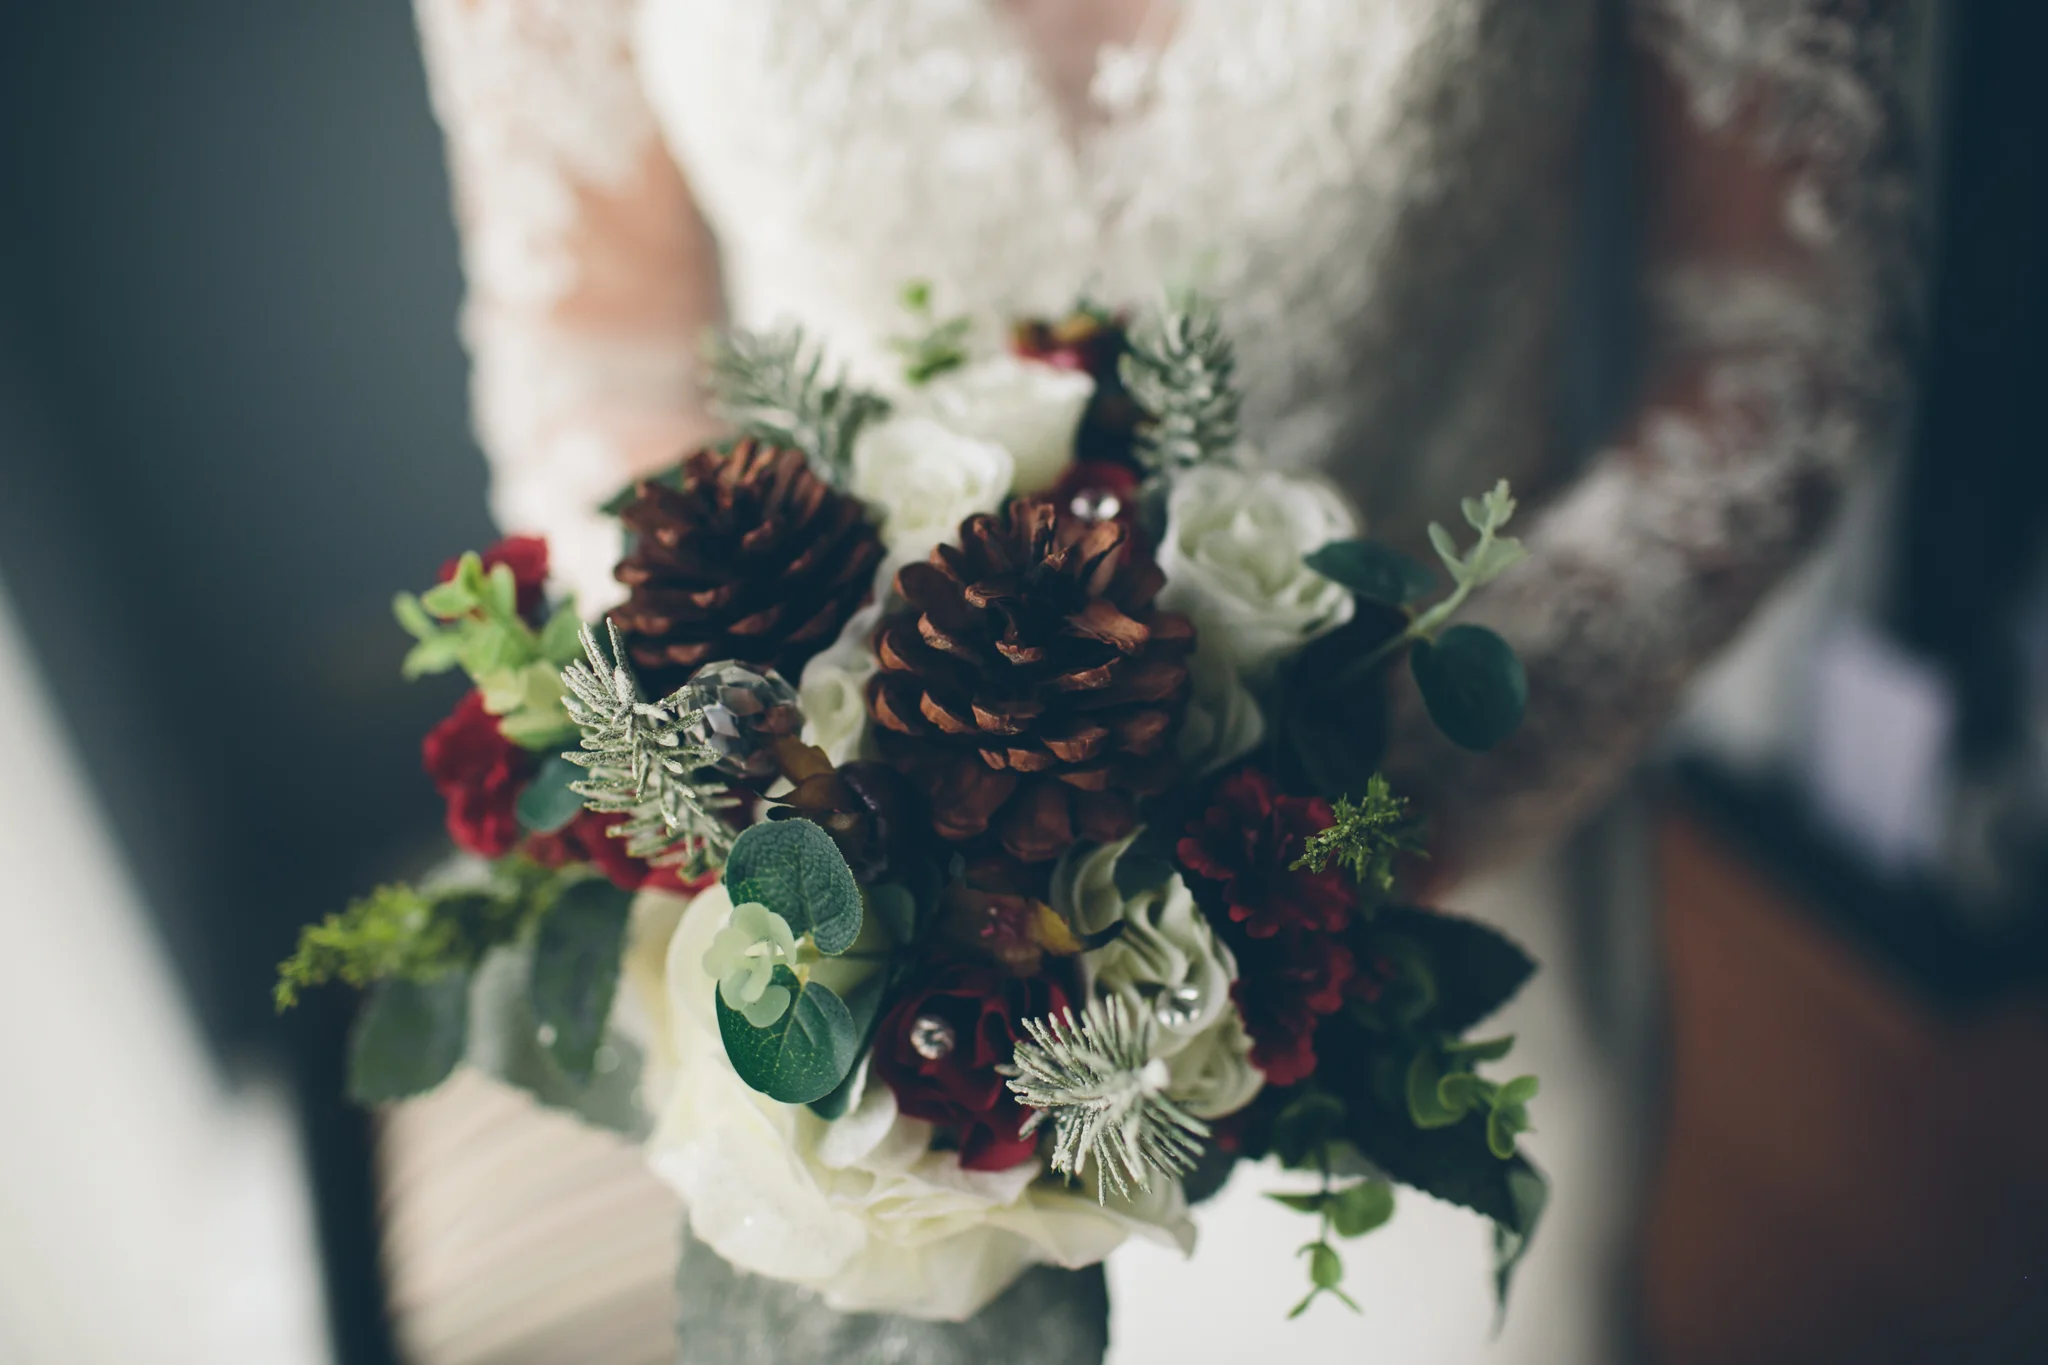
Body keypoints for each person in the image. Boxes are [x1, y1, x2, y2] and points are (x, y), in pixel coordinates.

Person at [381, 3, 1924, 1362]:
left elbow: (1785, 344)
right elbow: (598, 355)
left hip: (1430, 861)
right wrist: (805, 800)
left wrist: (1332, 831)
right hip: (883, 965)